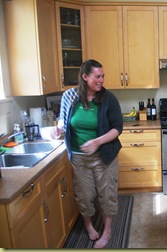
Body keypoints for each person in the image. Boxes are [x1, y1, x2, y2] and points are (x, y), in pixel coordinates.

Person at [52, 59, 123, 248]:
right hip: (79, 158)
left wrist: (97, 141)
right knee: (84, 195)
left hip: (104, 156)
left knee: (107, 194)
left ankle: (107, 231)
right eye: (97, 76)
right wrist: (58, 129)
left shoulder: (109, 98)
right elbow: (63, 119)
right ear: (85, 77)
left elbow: (118, 128)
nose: (101, 80)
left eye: (102, 76)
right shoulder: (69, 96)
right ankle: (89, 225)